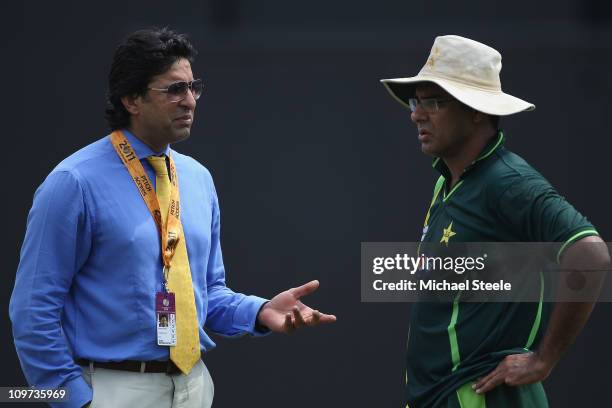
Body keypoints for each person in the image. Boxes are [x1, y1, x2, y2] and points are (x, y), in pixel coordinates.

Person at [9, 27, 336, 408]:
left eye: (193, 87)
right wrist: (74, 399)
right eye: (174, 90)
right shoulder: (73, 182)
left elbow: (208, 294)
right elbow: (33, 310)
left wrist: (260, 311)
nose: (190, 101)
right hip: (112, 391)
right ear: (132, 99)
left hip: (193, 386)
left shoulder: (197, 178)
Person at [380, 35, 610, 407]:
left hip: (481, 397)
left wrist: (543, 360)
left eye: (434, 102)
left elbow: (591, 255)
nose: (417, 114)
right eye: (415, 101)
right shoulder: (448, 180)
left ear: (477, 110)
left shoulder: (507, 182)